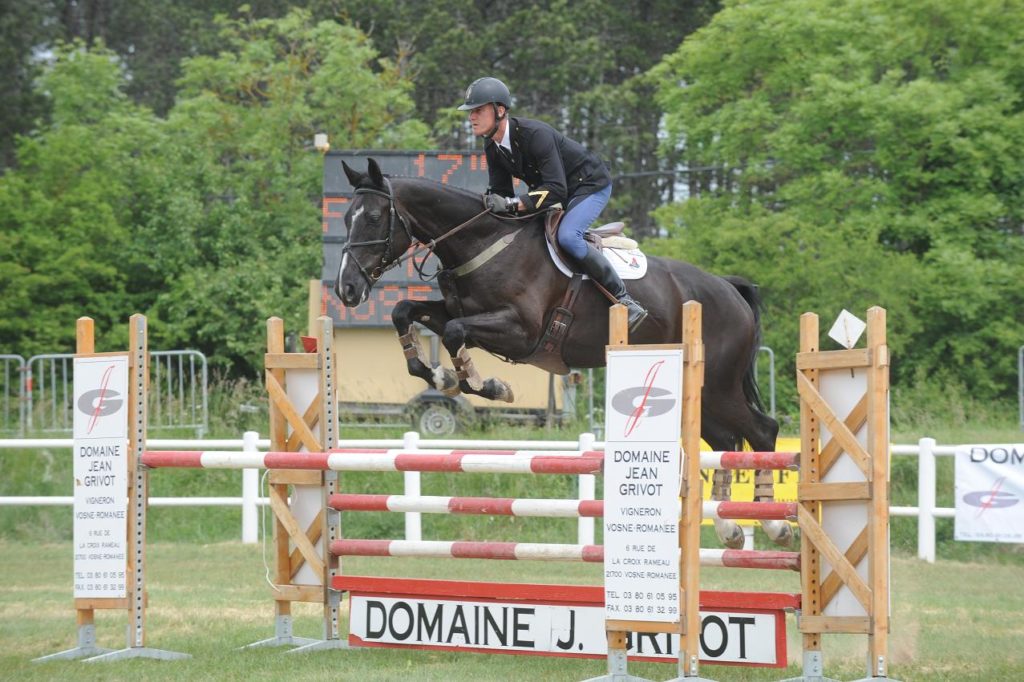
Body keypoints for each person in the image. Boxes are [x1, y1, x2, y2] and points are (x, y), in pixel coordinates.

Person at [458, 77, 648, 331]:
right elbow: (502, 193)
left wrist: (513, 204)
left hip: (589, 185)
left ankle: (625, 300)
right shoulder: (493, 147)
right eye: (471, 111)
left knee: (569, 236)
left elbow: (555, 190)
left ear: (500, 110)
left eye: (478, 110)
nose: (472, 117)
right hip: (557, 191)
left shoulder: (536, 135)